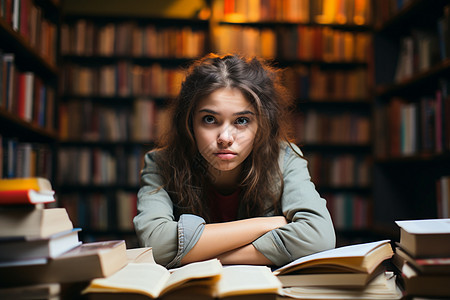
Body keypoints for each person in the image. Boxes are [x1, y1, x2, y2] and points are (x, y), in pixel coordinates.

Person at [133, 53, 335, 268]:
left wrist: (194, 255)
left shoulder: (284, 158)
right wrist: (268, 224)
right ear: (189, 123)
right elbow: (156, 245)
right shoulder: (161, 163)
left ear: (261, 125)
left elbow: (318, 238)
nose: (225, 138)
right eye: (210, 119)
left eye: (241, 121)